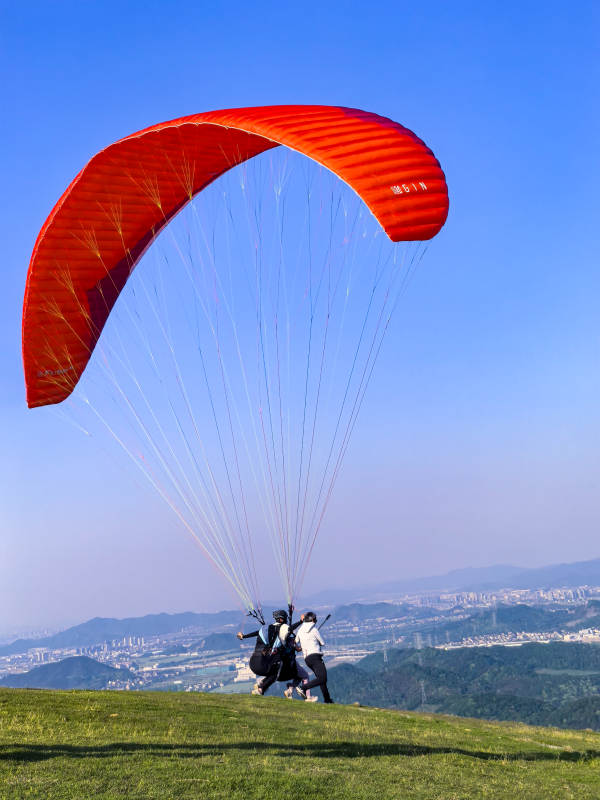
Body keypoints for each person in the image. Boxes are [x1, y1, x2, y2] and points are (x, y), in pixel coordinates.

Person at [237, 609, 303, 695]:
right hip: (263, 664)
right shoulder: (283, 628)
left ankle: (261, 683)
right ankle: (260, 690)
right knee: (276, 671)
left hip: (253, 663)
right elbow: (290, 628)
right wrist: (301, 621)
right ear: (281, 619)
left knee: (272, 669)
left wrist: (244, 636)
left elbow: (257, 632)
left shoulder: (265, 628)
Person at [295, 611, 334, 703]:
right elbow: (322, 643)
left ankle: (327, 700)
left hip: (307, 659)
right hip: (316, 657)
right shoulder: (314, 630)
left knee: (321, 679)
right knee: (322, 678)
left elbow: (295, 642)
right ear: (312, 620)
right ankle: (303, 688)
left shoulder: (300, 630)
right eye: (315, 619)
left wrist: (301, 647)